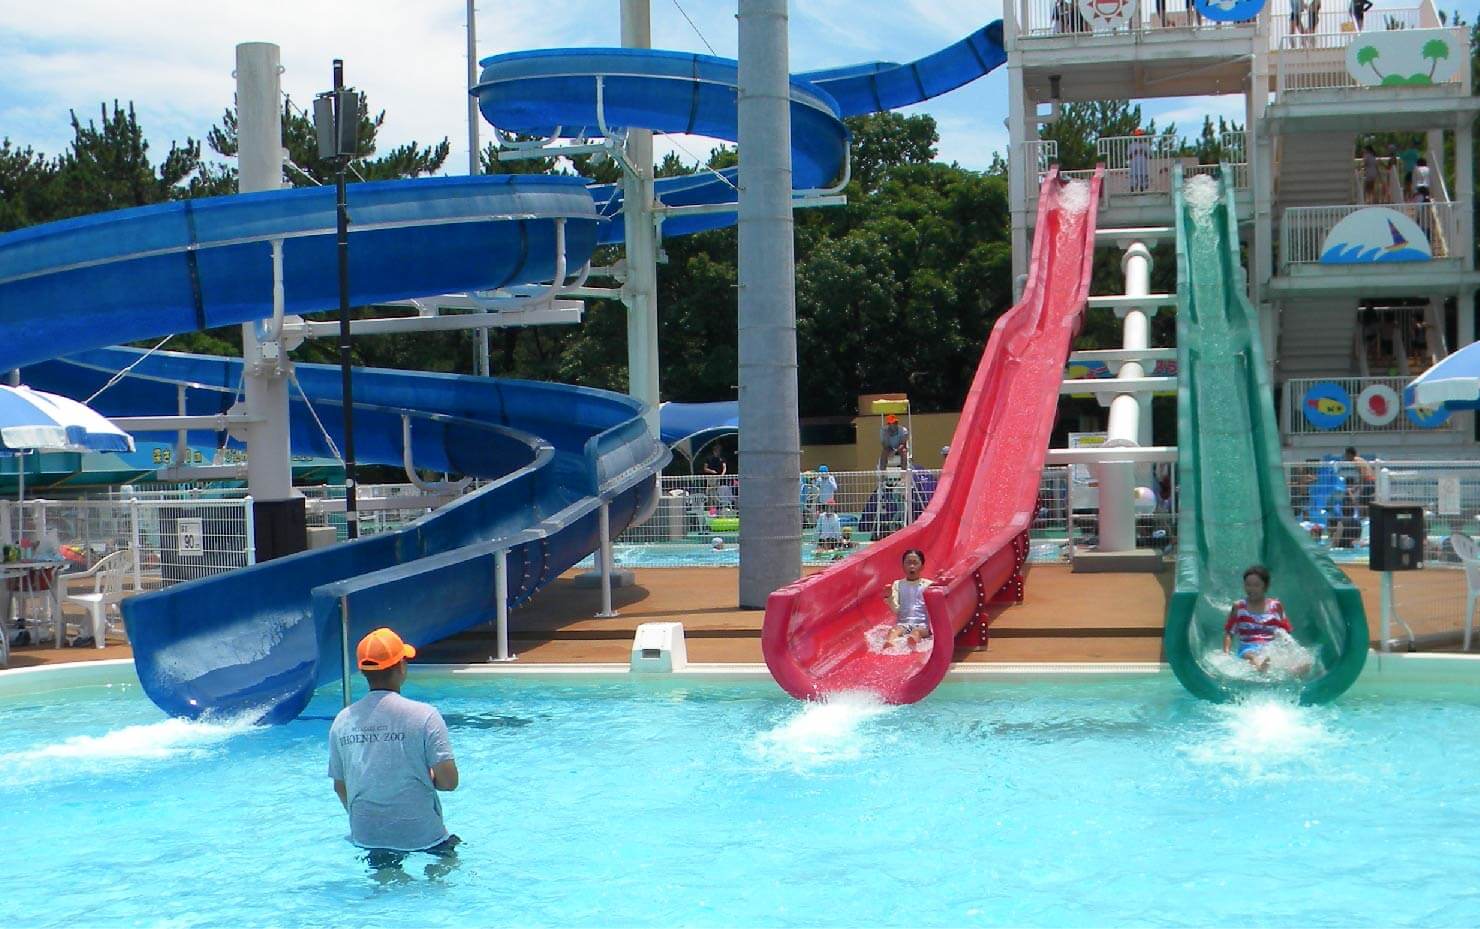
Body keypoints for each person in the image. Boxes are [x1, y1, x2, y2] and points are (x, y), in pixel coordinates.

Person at [329, 628, 460, 879]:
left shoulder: (342, 721)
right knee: (448, 861)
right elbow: (450, 782)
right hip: (421, 833)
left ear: (363, 671)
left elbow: (339, 786)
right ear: (401, 667)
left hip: (367, 834)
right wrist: (424, 775)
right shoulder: (424, 715)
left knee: (385, 879)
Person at [1222, 565, 1293, 673]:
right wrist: (1226, 653)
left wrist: (1288, 651)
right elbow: (1229, 633)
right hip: (1247, 648)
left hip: (1269, 647)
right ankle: (1261, 667)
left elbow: (1286, 631)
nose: (1251, 589)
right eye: (1248, 585)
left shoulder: (1276, 606)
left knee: (1281, 659)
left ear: (1265, 586)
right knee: (1251, 655)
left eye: (1256, 585)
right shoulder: (1238, 606)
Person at [883, 548, 933, 649]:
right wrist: (889, 597)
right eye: (908, 563)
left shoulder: (928, 585)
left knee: (917, 632)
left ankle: (912, 642)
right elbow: (897, 610)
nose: (911, 566)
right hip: (903, 623)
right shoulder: (898, 584)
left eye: (915, 563)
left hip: (922, 624)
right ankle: (889, 643)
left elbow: (936, 608)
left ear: (922, 566)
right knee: (894, 631)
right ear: (903, 566)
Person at [1344, 446, 1376, 518]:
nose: (1345, 457)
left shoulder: (1356, 460)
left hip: (1368, 481)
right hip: (1371, 481)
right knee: (1365, 501)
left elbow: (1362, 472)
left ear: (1349, 454)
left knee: (1363, 502)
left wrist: (1360, 486)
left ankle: (1364, 519)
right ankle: (1366, 518)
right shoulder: (1360, 459)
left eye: (1346, 455)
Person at [1128, 129, 1150, 193]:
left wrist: (1143, 152)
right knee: (1133, 180)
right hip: (1134, 166)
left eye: (1141, 135)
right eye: (1138, 136)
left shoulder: (1146, 145)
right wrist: (1135, 152)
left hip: (1143, 166)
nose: (1140, 137)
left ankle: (1142, 191)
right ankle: (1132, 192)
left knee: (1143, 180)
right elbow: (1129, 156)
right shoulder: (1131, 145)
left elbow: (1150, 156)